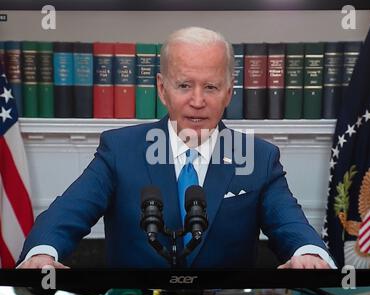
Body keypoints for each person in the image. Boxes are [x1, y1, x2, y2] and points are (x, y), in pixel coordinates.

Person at [18, 26, 335, 269]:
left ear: (228, 93)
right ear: (162, 89)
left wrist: (309, 254)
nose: (197, 101)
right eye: (184, 85)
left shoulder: (259, 157)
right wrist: (42, 254)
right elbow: (66, 213)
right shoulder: (119, 149)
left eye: (210, 87)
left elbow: (289, 223)